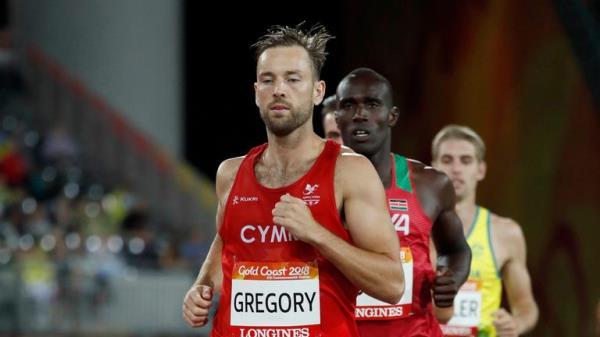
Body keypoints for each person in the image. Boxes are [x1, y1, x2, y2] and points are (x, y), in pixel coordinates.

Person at [182, 25, 405, 337]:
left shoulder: (349, 172)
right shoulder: (230, 174)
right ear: (256, 92)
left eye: (293, 79)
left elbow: (392, 284)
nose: (279, 89)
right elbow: (226, 240)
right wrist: (202, 286)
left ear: (317, 91)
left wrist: (316, 234)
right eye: (268, 80)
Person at [335, 68, 471, 337]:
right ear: (337, 117)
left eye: (372, 104)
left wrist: (450, 279)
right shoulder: (312, 186)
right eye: (348, 105)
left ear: (392, 116)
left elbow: (456, 250)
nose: (360, 114)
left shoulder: (430, 185)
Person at [431, 125, 538, 337]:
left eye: (466, 160)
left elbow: (526, 306)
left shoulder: (505, 233)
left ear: (481, 170)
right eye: (447, 160)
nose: (456, 169)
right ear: (433, 167)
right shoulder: (412, 227)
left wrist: (515, 324)